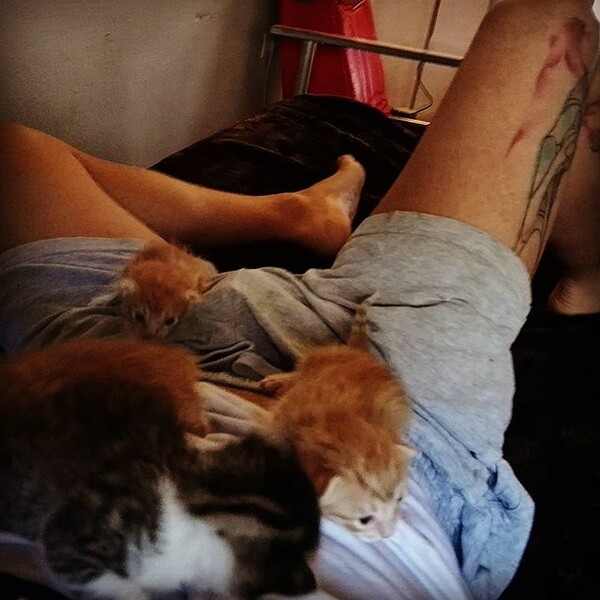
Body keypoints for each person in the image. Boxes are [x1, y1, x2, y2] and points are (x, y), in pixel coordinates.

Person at [1, 1, 599, 599]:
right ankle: (591, 273)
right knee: (542, 22)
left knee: (16, 152)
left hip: (108, 373)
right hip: (379, 417)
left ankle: (296, 214)